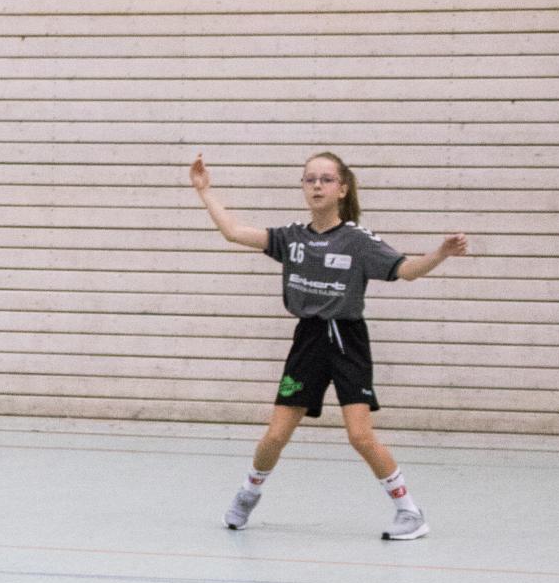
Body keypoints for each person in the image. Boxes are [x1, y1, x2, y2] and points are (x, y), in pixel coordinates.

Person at [191, 152, 469, 539]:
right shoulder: (291, 237)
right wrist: (205, 191)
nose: (317, 186)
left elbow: (406, 270)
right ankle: (247, 494)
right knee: (275, 436)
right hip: (308, 340)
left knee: (360, 435)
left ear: (342, 189)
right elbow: (234, 232)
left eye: (325, 179)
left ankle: (409, 512)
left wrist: (440, 253)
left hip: (347, 340)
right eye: (310, 179)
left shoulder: (358, 241)